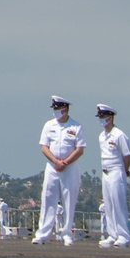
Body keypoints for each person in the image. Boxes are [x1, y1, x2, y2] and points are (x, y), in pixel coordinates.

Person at [33, 96, 84, 245]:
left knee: (69, 200)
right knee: (48, 198)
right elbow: (44, 147)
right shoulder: (49, 125)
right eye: (54, 108)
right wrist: (56, 162)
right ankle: (43, 233)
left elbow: (80, 149)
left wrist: (65, 162)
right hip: (52, 166)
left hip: (70, 167)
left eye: (57, 108)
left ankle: (67, 233)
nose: (55, 111)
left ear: (65, 109)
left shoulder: (76, 127)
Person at [96, 103, 130, 247]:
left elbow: (127, 156)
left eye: (103, 116)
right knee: (108, 205)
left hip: (117, 170)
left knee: (118, 204)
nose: (101, 119)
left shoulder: (119, 135)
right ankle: (112, 235)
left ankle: (124, 236)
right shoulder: (101, 136)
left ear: (110, 117)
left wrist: (124, 170)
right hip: (105, 172)